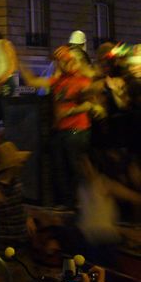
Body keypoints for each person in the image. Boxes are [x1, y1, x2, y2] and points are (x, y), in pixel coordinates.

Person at [19, 46, 104, 208]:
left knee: (75, 169)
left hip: (77, 131)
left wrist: (70, 111)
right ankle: (68, 203)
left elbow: (90, 103)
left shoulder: (83, 80)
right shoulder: (59, 80)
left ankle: (80, 203)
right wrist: (20, 62)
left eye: (69, 60)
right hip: (61, 131)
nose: (66, 64)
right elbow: (32, 83)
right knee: (61, 169)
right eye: (63, 61)